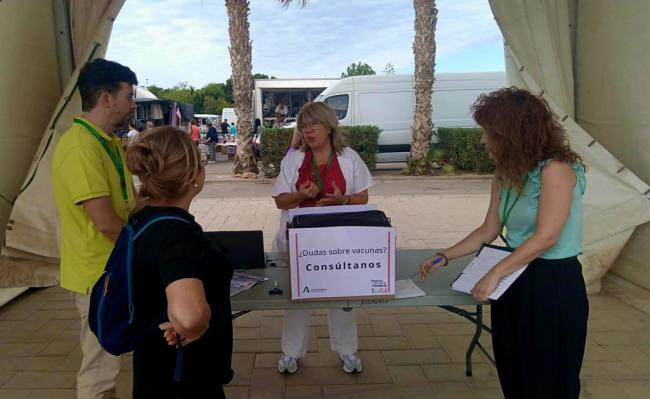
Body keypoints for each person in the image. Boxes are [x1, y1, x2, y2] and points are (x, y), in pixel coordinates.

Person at [419, 88, 588, 399]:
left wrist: (495, 272)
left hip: (552, 284)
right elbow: (488, 229)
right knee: (515, 373)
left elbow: (547, 236)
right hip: (515, 280)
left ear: (514, 133)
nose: (483, 140)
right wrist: (444, 256)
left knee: (551, 380)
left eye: (489, 133)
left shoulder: (556, 171)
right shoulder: (505, 174)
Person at [52, 58, 138, 399]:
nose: (133, 104)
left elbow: (125, 207)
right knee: (100, 367)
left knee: (108, 357)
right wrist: (148, 248)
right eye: (128, 96)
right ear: (106, 98)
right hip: (97, 274)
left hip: (112, 269)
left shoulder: (106, 141)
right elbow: (105, 222)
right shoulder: (80, 147)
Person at [125, 126, 234, 398]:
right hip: (183, 377)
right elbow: (189, 317)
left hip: (155, 364)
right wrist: (199, 320)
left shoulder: (143, 217)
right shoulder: (177, 234)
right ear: (192, 177)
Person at [271, 102, 374, 374]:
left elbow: (363, 197)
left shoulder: (349, 157)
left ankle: (348, 351)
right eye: (303, 127)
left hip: (340, 242)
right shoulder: (292, 160)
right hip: (299, 243)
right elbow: (281, 202)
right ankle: (291, 353)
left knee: (343, 298)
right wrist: (301, 196)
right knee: (298, 298)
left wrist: (343, 200)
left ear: (329, 126)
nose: (308, 131)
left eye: (313, 125)